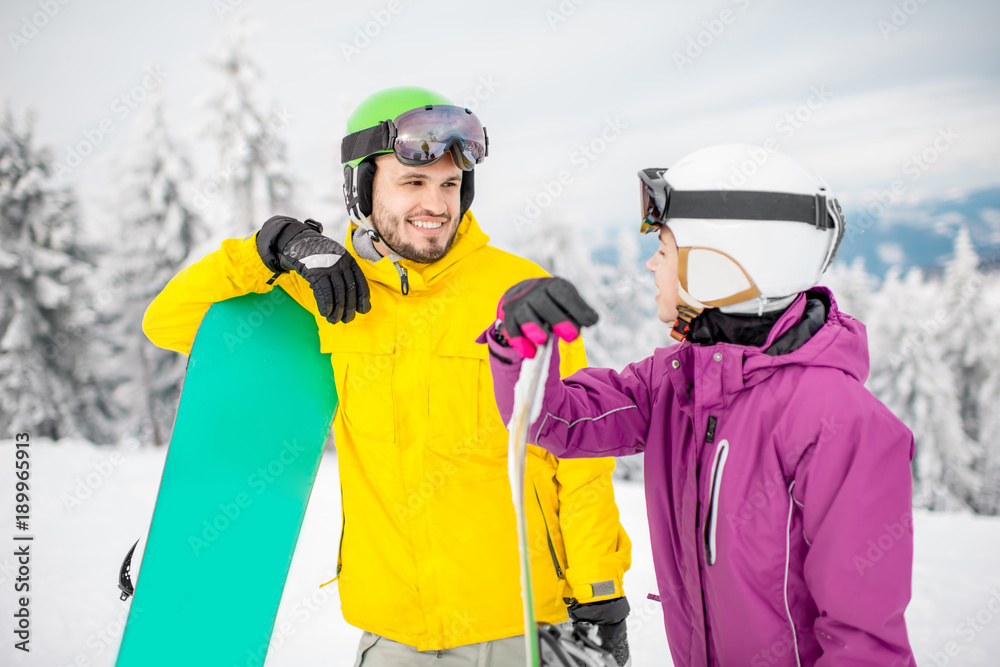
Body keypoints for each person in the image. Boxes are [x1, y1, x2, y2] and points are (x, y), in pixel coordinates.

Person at [142, 86, 632, 666]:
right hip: (393, 637)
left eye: (450, 185)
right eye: (412, 182)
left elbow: (576, 459)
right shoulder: (330, 288)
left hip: (521, 630)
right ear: (361, 186)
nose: (437, 204)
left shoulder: (516, 293)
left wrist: (601, 595)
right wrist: (273, 247)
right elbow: (170, 323)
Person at [482, 144, 917, 666]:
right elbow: (553, 420)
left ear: (719, 266)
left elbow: (865, 646)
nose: (650, 263)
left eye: (664, 249)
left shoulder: (839, 422)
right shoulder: (678, 381)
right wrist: (515, 337)